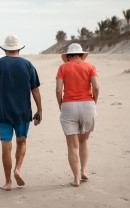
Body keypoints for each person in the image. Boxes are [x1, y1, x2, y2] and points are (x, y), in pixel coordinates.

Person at [0, 35, 42, 191]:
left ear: (4, 49)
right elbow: (35, 89)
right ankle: (17, 169)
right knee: (22, 141)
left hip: (3, 111)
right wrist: (40, 109)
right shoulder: (28, 65)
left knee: (6, 143)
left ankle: (8, 182)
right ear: (19, 48)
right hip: (23, 111)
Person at [56, 43, 100, 187]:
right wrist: (94, 101)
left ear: (68, 56)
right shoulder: (90, 67)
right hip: (88, 104)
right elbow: (96, 86)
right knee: (84, 141)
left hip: (69, 105)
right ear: (81, 55)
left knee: (72, 145)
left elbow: (58, 90)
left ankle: (76, 179)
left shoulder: (63, 67)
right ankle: (83, 171)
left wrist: (61, 104)